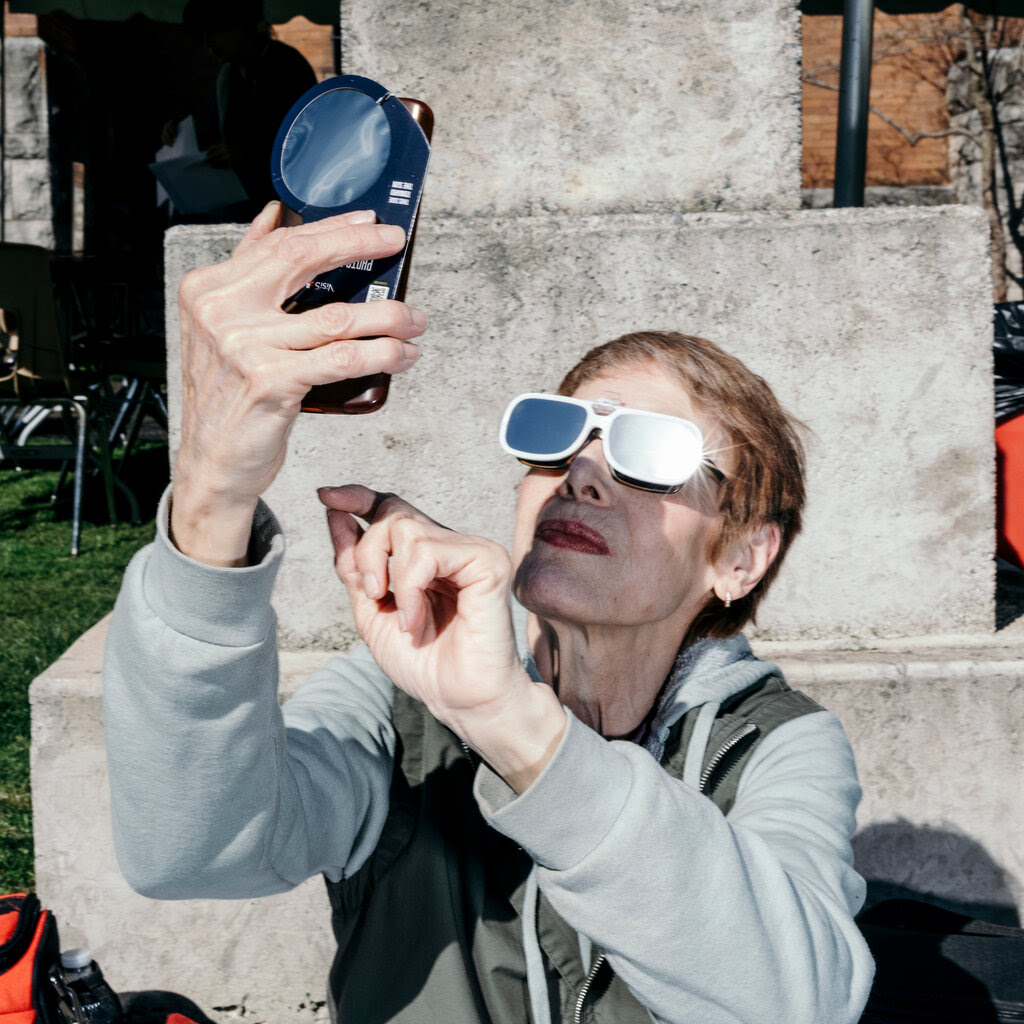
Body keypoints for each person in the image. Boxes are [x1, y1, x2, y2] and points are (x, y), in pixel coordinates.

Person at [103, 202, 875, 1023]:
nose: (580, 474)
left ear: (739, 559)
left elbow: (802, 1002)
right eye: (556, 434)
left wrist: (508, 720)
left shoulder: (771, 743)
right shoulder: (399, 700)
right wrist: (213, 495)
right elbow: (188, 852)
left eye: (647, 453)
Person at [162, 0, 317, 219]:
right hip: (242, 207)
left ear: (244, 25)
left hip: (286, 208)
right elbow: (216, 132)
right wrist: (178, 132)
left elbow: (305, 138)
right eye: (204, 34)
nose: (209, 42)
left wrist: (247, 154)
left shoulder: (285, 65)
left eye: (217, 30)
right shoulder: (228, 76)